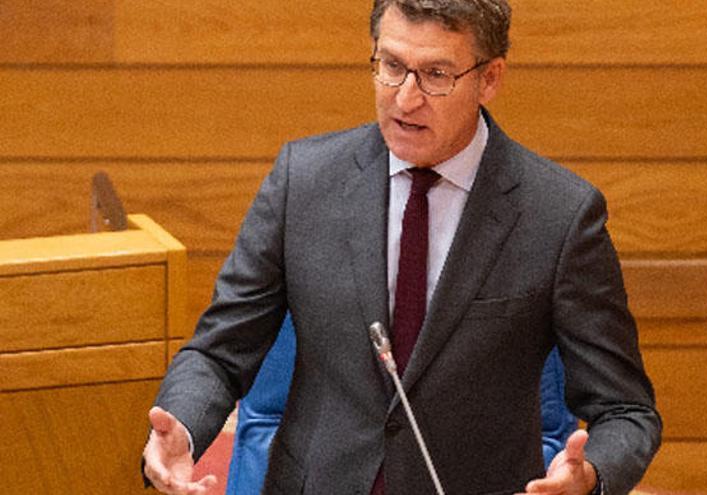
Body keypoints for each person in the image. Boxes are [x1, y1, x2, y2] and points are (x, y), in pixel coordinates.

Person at [142, 1, 662, 494]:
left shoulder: (557, 215)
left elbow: (626, 409)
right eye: (391, 65)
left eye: (436, 75)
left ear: (489, 78)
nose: (405, 98)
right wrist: (182, 427)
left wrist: (591, 474)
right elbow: (219, 350)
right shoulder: (304, 182)